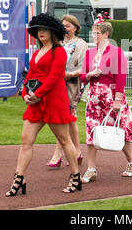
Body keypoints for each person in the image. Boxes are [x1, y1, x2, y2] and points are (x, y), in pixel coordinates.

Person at [5, 13, 82, 196]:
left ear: (52, 31)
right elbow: (30, 76)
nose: (40, 32)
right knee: (26, 141)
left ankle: (75, 176)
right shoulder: (37, 52)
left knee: (64, 141)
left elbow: (55, 77)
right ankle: (19, 178)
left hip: (54, 100)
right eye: (38, 29)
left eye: (44, 29)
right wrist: (25, 94)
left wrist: (37, 94)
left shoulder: (60, 52)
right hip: (35, 102)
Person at [80, 16, 132, 183]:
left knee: (118, 130)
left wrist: (118, 100)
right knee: (91, 131)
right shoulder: (89, 53)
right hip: (93, 97)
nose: (94, 37)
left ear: (106, 33)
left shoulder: (116, 52)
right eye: (93, 34)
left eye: (97, 33)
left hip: (111, 95)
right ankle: (91, 169)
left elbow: (121, 77)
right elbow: (81, 76)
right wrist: (89, 75)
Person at [46, 14, 88, 168]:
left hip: (71, 84)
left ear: (75, 28)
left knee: (68, 117)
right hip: (56, 83)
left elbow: (84, 67)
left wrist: (69, 74)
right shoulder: (57, 42)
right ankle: (76, 152)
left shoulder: (81, 44)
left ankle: (60, 153)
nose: (64, 28)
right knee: (65, 119)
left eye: (68, 26)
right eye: (62, 25)